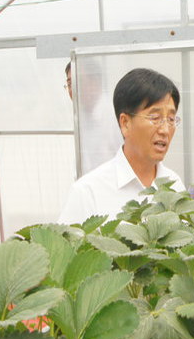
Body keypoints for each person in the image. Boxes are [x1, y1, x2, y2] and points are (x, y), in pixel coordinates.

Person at [58, 68, 185, 224]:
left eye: (171, 119)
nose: (165, 130)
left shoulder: (174, 184)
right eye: (154, 117)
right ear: (125, 123)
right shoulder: (87, 192)